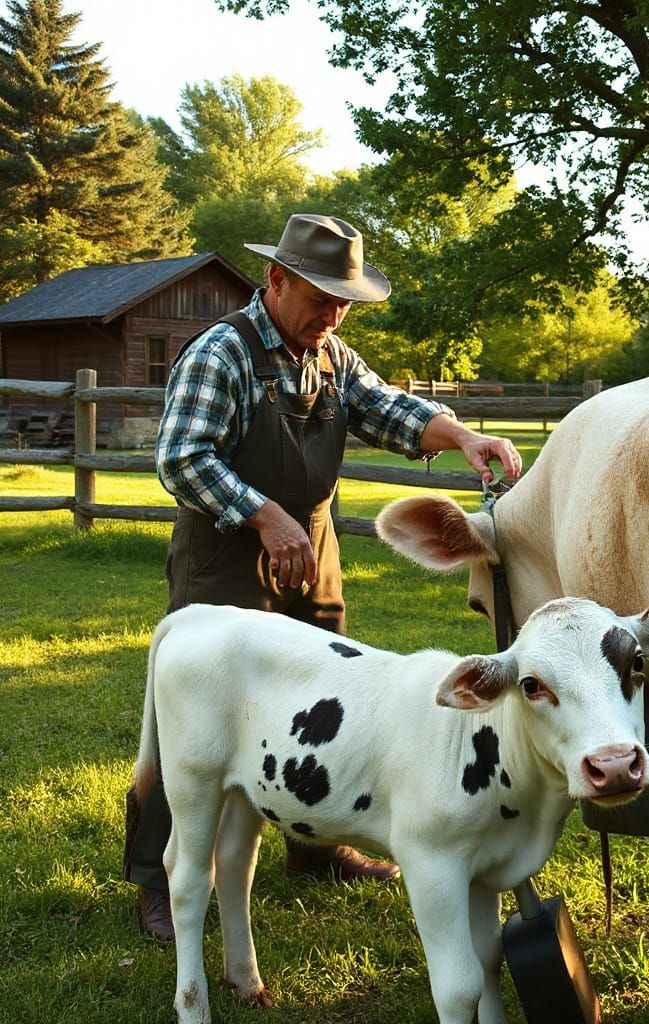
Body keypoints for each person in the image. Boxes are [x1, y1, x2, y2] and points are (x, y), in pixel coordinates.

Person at [124, 213, 522, 941]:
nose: (333, 314)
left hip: (314, 546)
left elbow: (392, 411)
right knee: (201, 718)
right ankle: (157, 878)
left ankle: (313, 846)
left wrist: (462, 435)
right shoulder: (223, 354)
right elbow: (179, 458)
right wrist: (265, 516)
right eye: (321, 298)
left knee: (325, 698)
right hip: (227, 552)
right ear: (276, 280)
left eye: (344, 302)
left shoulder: (332, 355)